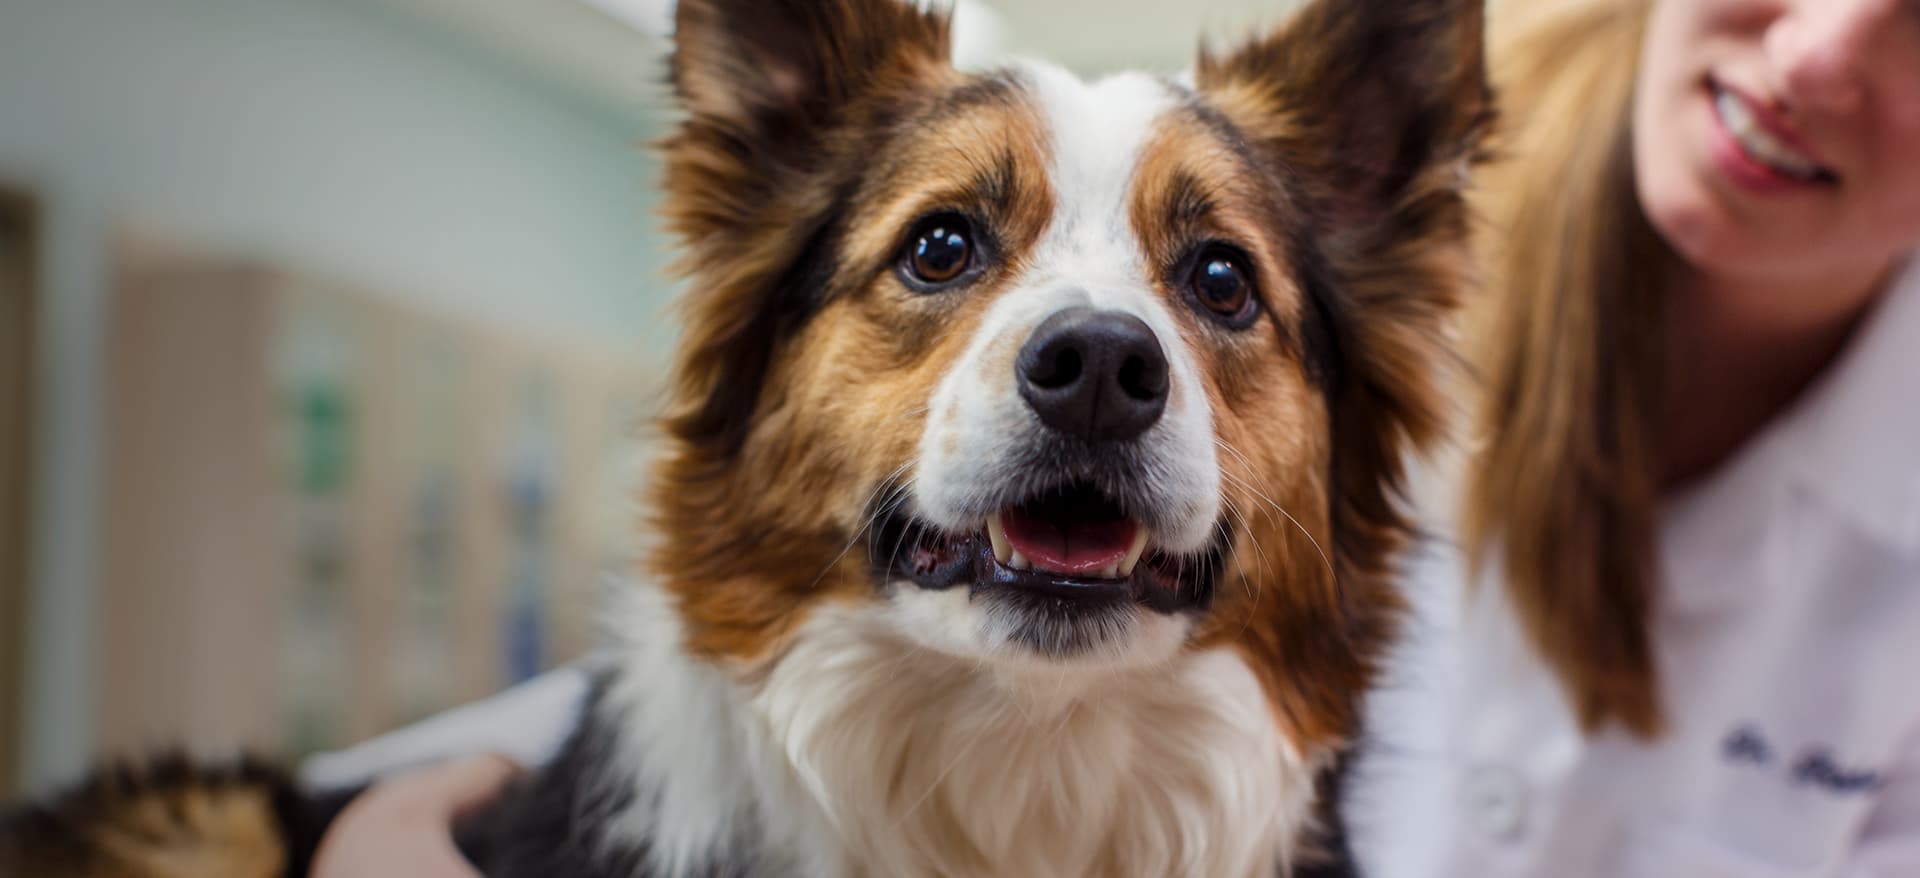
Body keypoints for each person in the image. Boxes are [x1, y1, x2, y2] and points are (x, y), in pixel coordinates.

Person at [310, 0, 1920, 874]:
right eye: (942, 249)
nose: (1103, 349)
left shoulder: (1385, 275)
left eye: (1217, 281)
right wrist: (379, 828)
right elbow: (703, 619)